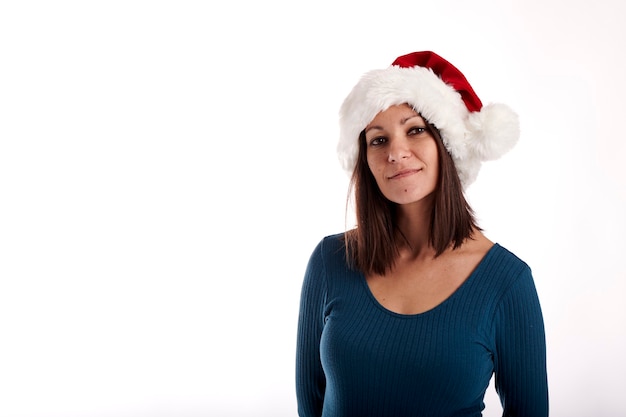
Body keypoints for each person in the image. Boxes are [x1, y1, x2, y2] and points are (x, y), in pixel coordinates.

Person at [295, 51, 548, 417]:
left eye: (415, 130)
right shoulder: (329, 261)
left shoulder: (507, 282)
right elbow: (310, 405)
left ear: (447, 145)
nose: (396, 152)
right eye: (378, 140)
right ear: (364, 161)